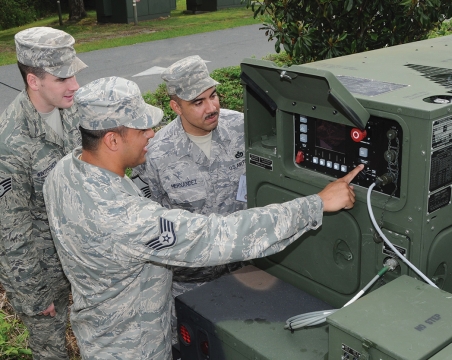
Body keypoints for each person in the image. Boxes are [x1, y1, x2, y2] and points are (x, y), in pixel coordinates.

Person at [43, 76, 363, 360]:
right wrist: (316, 204)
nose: (152, 134)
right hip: (133, 347)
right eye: (142, 129)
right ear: (112, 140)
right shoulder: (123, 218)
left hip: (98, 334)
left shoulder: (64, 172)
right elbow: (216, 236)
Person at [132, 55, 246, 344]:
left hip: (244, 273)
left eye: (213, 95)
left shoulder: (242, 129)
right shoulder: (156, 154)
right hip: (189, 284)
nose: (212, 107)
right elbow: (154, 219)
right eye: (198, 102)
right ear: (175, 106)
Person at [0, 27, 87, 359]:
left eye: (74, 74)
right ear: (34, 81)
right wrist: (33, 296)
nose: (75, 85)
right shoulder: (10, 142)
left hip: (81, 256)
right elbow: (11, 232)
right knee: (51, 351)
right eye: (63, 78)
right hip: (43, 269)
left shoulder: (75, 111)